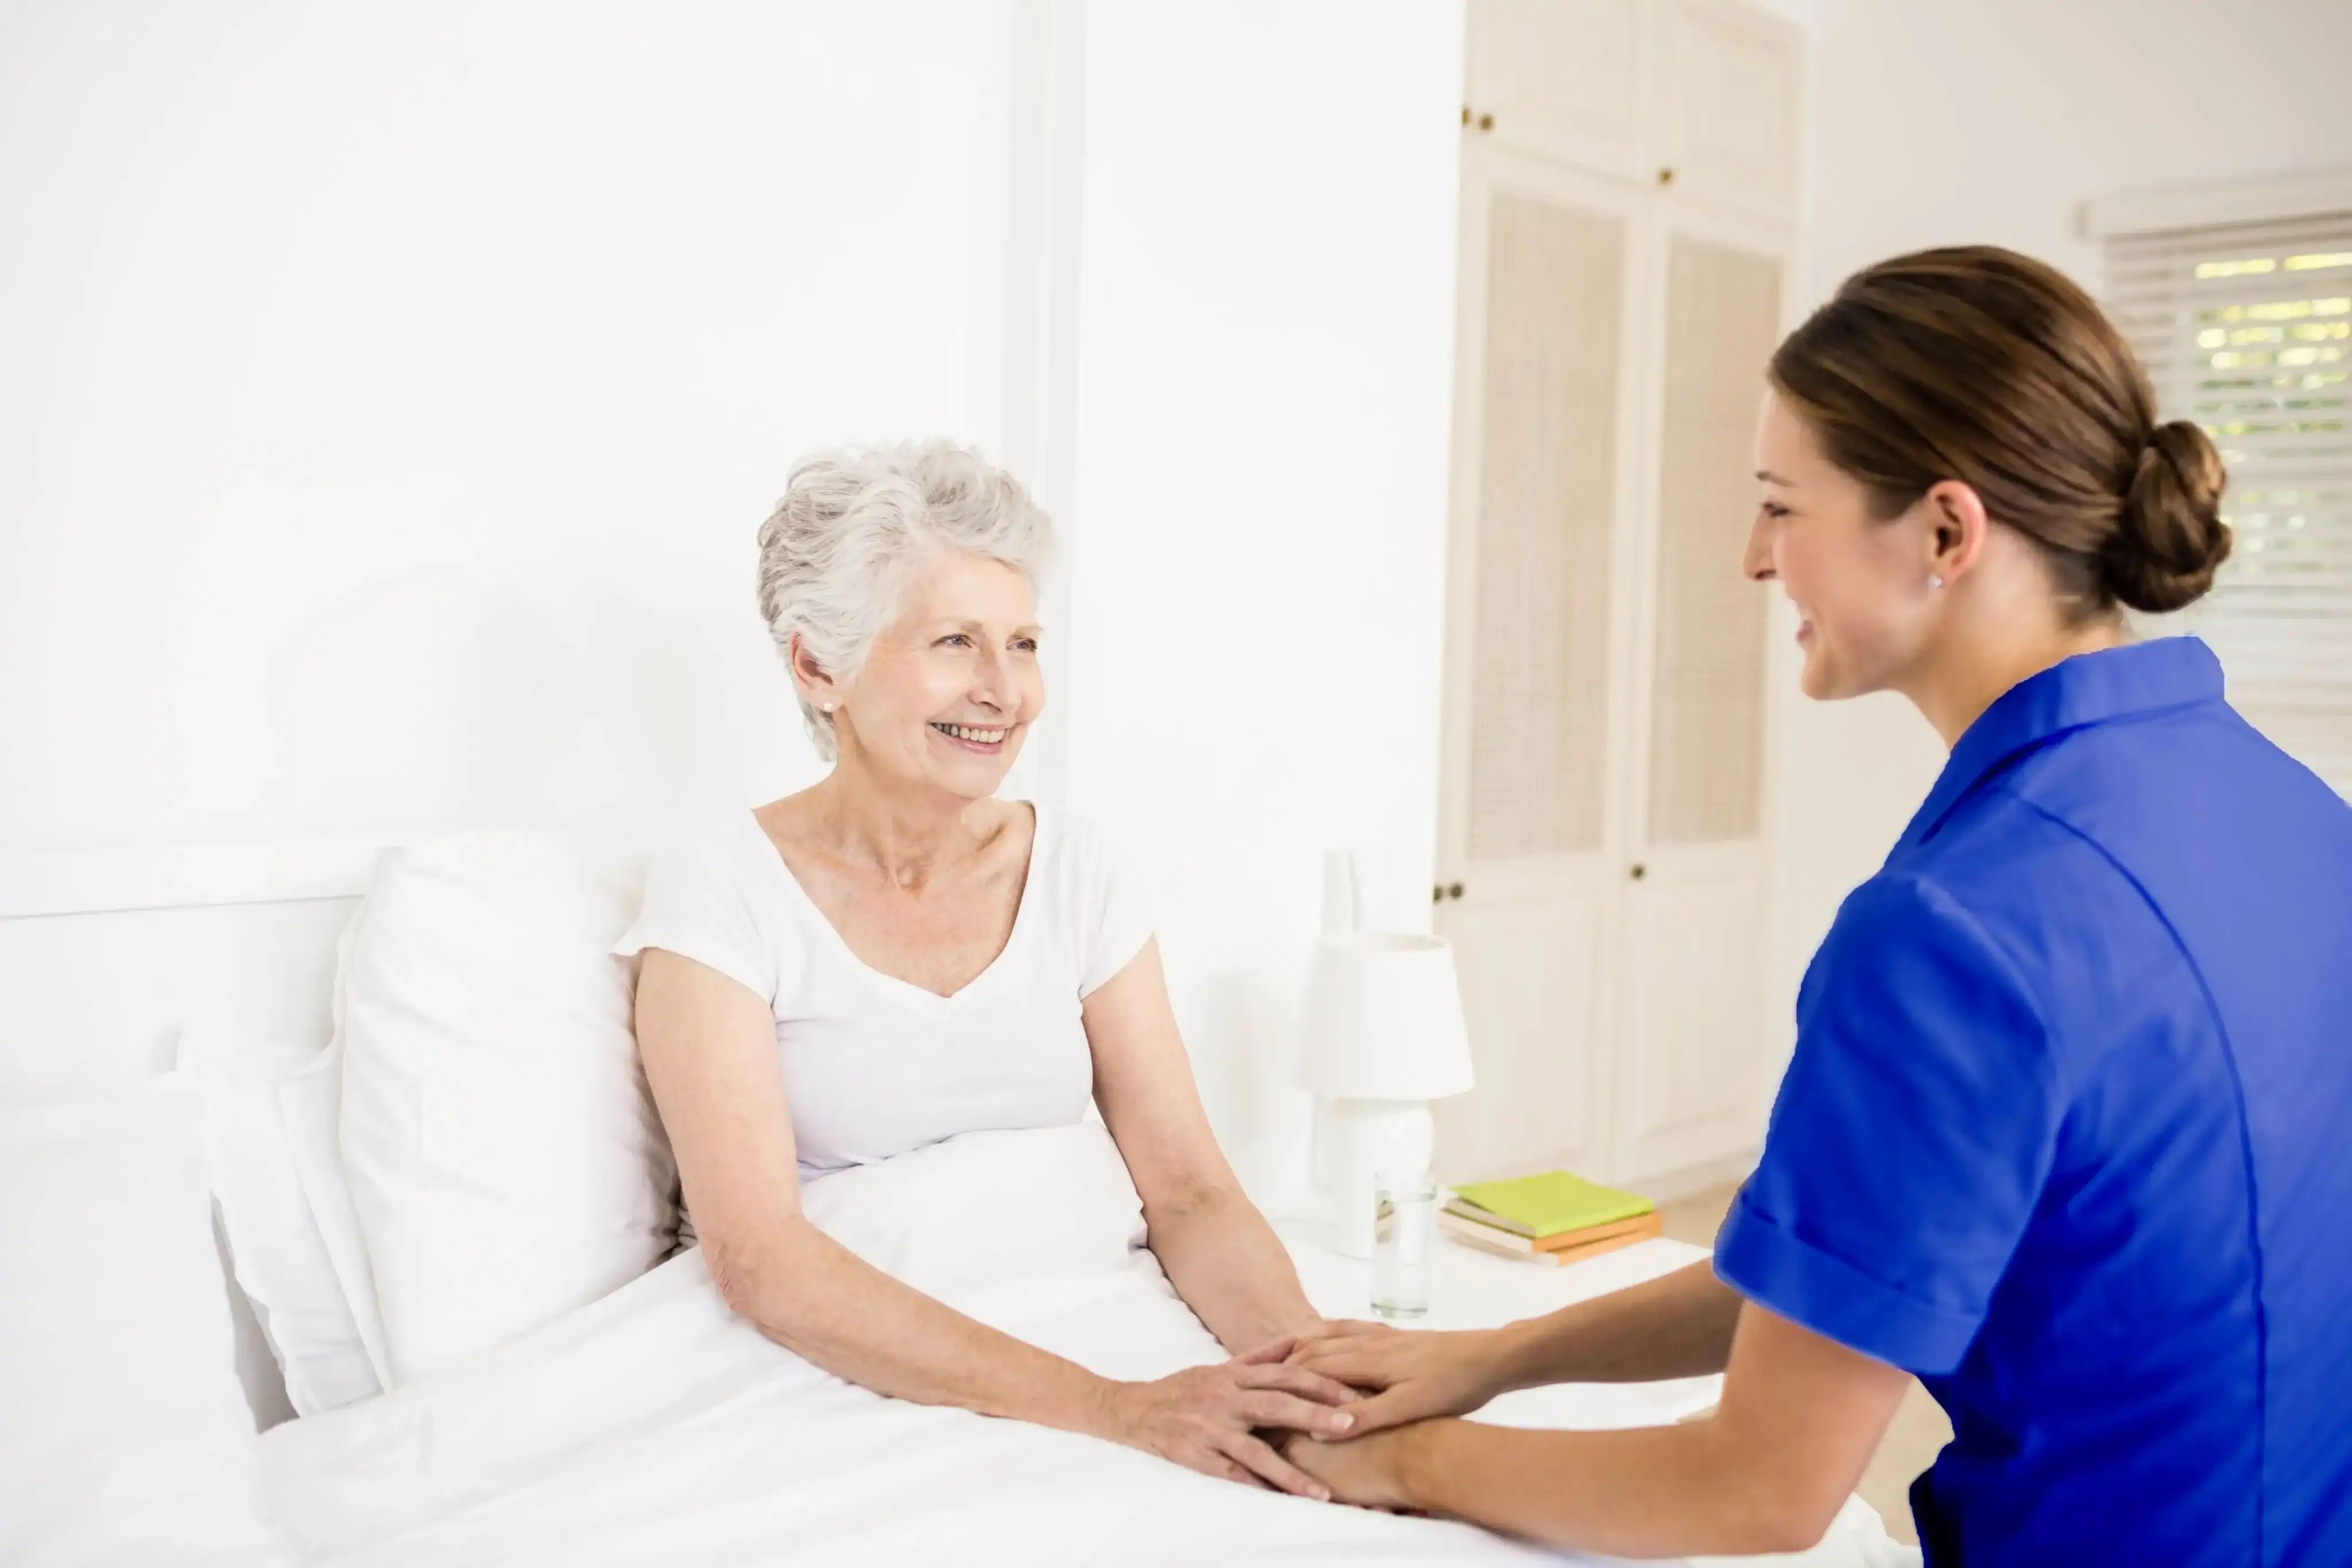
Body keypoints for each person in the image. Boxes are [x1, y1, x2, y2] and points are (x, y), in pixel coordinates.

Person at [1275, 246, 2352, 1564]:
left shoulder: (1952, 934)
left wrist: (1402, 1463)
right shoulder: (2289, 810)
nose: (1750, 558)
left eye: (1780, 506)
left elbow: (1751, 1490)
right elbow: (1854, 1266)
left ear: (1945, 533)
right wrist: (1494, 1359)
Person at [620, 440, 1356, 1501]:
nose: (1005, 692)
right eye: (955, 641)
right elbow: (762, 1259)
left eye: (1023, 642)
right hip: (835, 1374)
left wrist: (1312, 1376)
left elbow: (1191, 1193)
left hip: (1094, 1312)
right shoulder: (721, 888)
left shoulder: (1079, 870)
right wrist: (1115, 1407)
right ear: (819, 668)